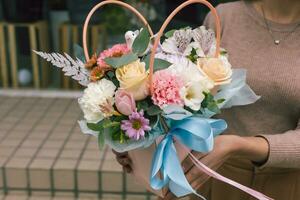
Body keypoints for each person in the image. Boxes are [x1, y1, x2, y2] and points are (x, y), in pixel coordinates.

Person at [113, 0, 300, 199]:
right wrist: (143, 147)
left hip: (285, 184)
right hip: (212, 175)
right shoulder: (224, 17)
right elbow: (194, 100)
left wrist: (237, 145)